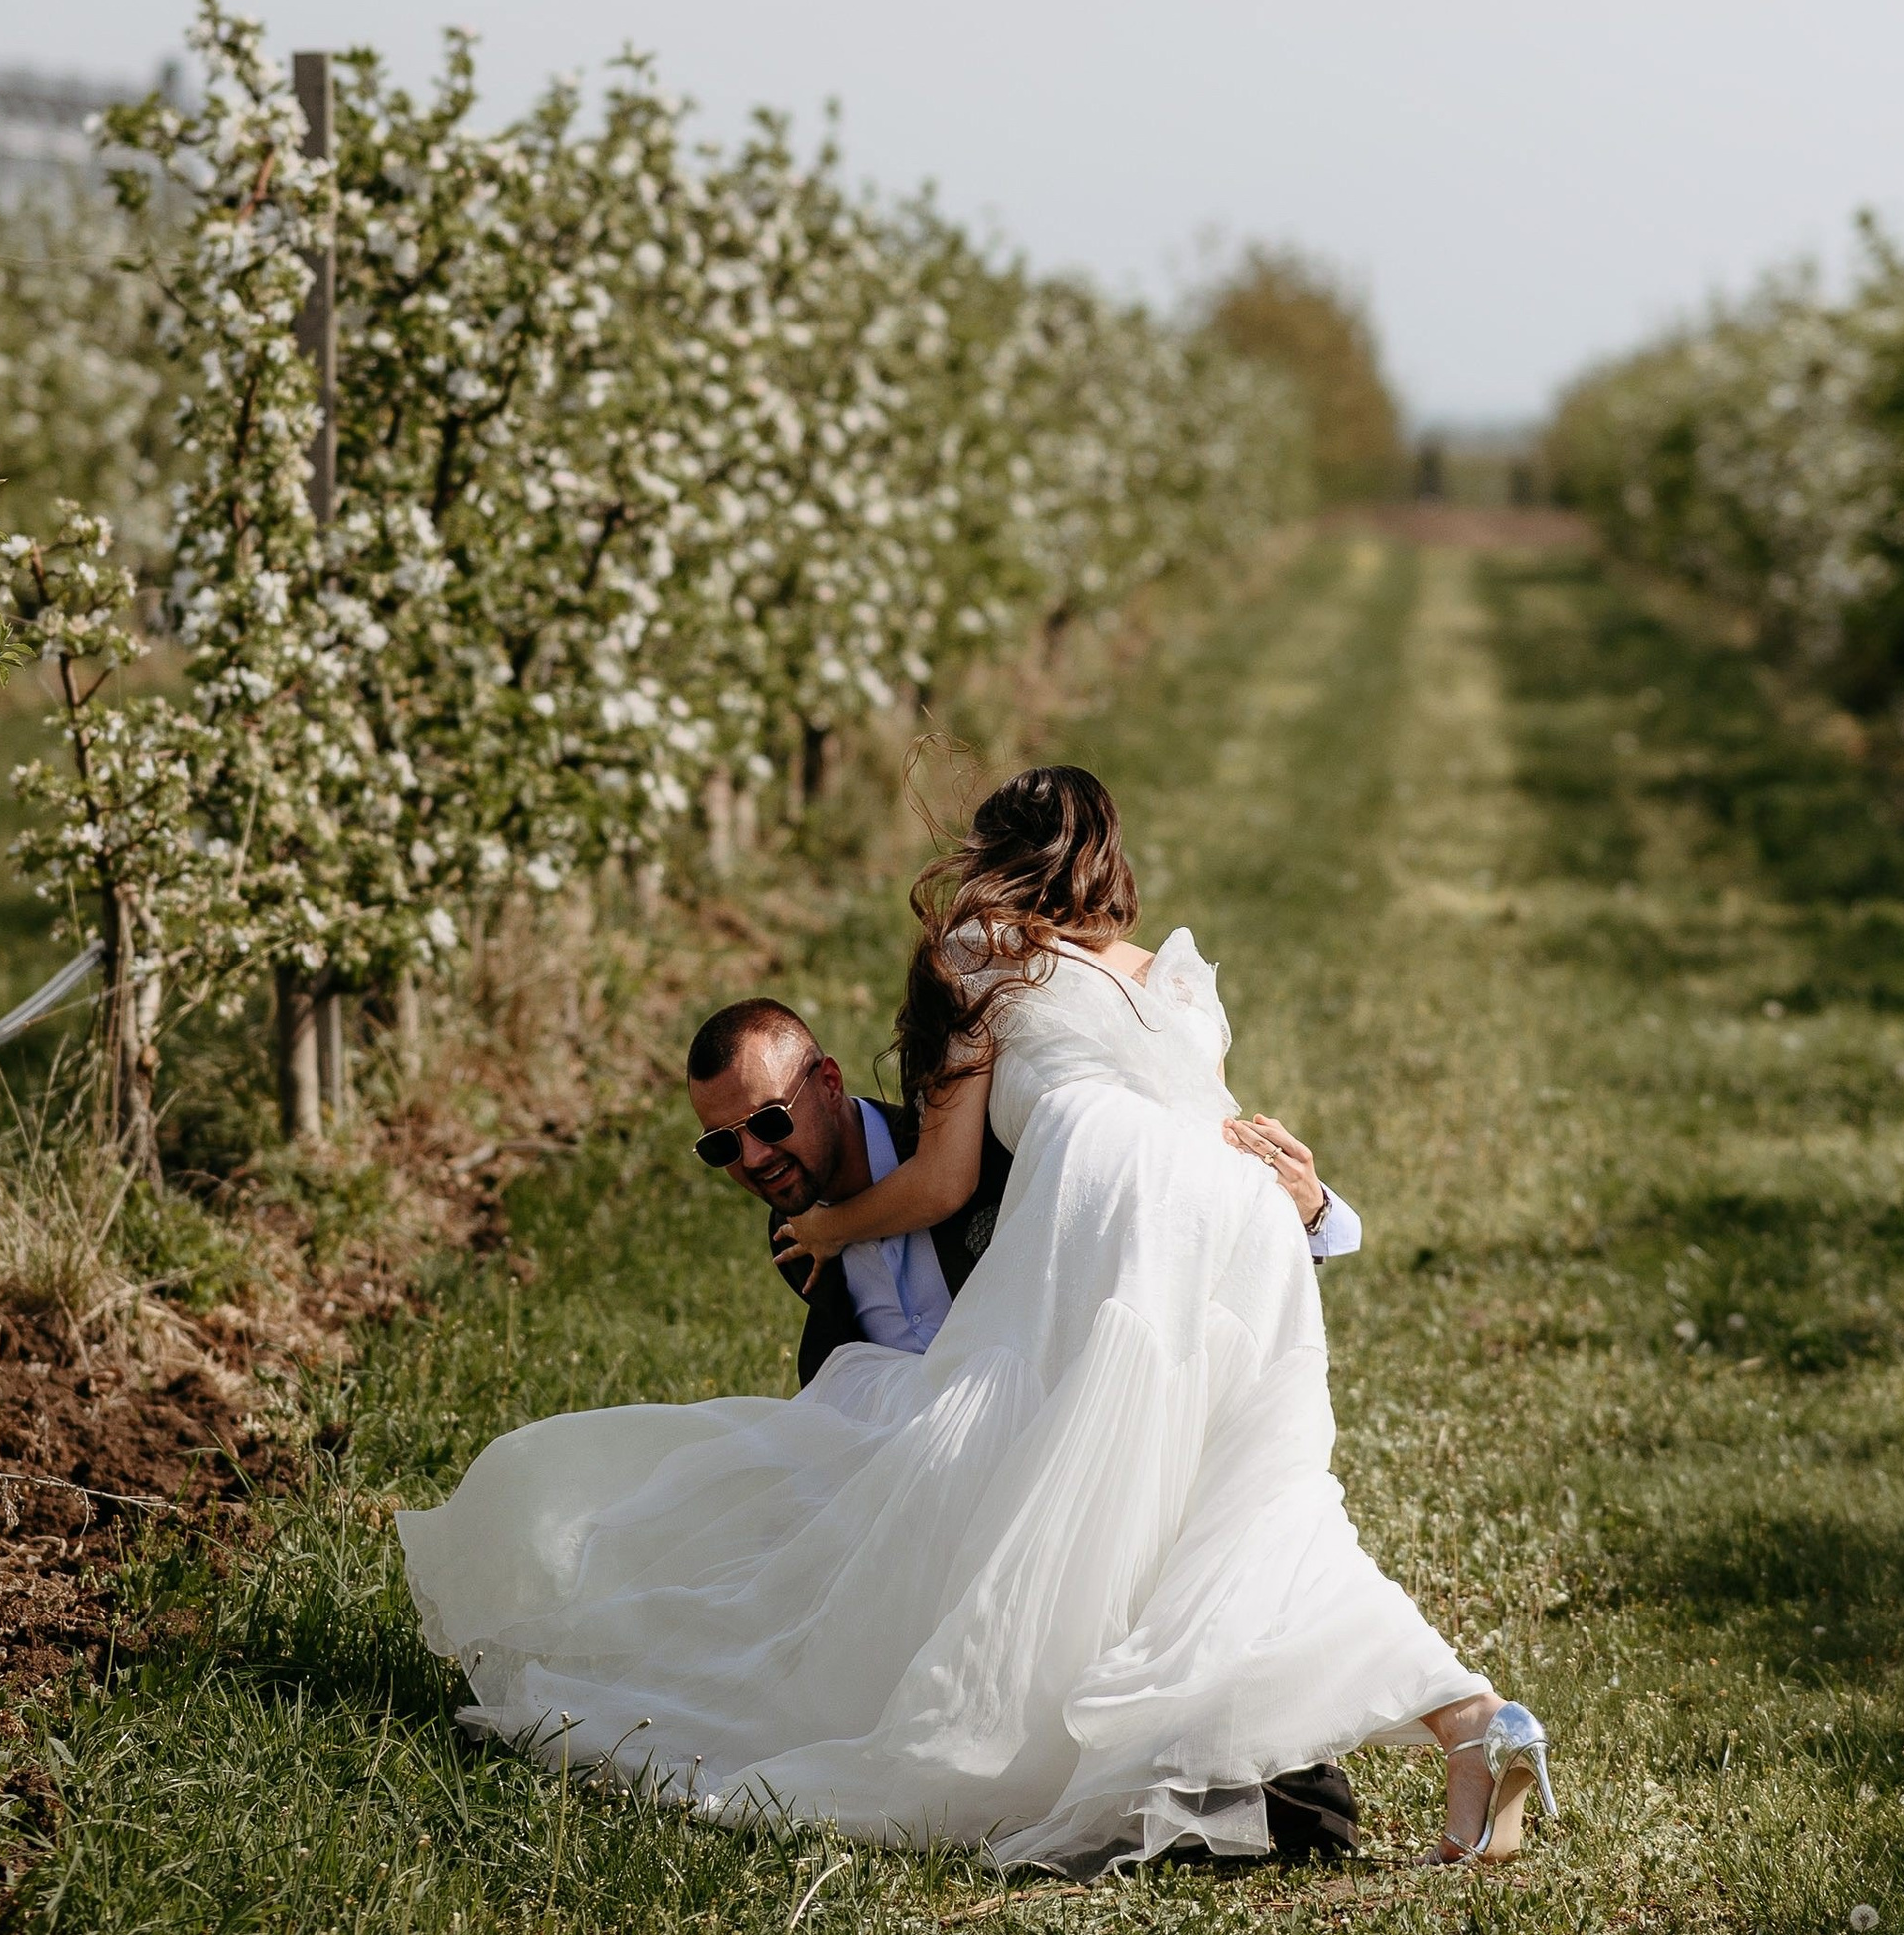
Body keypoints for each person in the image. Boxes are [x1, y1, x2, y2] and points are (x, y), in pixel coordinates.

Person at [397, 765, 1555, 1876]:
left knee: (1071, 1474)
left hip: (1124, 1221)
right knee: (1259, 1505)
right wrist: (1293, 1205)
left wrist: (834, 1228)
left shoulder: (974, 960)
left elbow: (947, 1181)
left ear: (994, 859)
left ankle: (1141, 1744)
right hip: (1243, 1229)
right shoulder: (1168, 976)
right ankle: (1471, 1723)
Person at [680, 993, 1363, 1386]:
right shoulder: (792, 1236)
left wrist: (1308, 1215)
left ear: (827, 1083)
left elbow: (1155, 1202)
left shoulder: (972, 1149)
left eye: (768, 1120)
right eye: (722, 1145)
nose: (754, 1157)